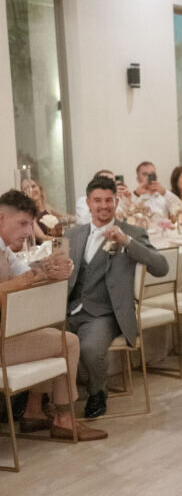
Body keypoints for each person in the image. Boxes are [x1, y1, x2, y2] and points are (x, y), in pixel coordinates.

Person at [0, 189, 107, 442]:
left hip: (6, 333)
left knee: (54, 333)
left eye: (31, 224)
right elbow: (22, 279)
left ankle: (36, 411)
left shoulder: (5, 249)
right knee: (67, 342)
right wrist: (28, 278)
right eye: (23, 223)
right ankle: (63, 420)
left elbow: (26, 272)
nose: (28, 231)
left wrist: (51, 271)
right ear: (1, 218)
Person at [66, 176, 169, 419]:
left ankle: (97, 392)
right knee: (40, 339)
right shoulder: (74, 234)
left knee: (90, 348)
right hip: (70, 309)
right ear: (88, 203)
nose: (103, 206)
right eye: (97, 200)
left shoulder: (132, 232)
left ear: (116, 201)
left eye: (108, 200)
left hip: (106, 312)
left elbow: (161, 267)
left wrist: (127, 242)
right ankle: (41, 402)